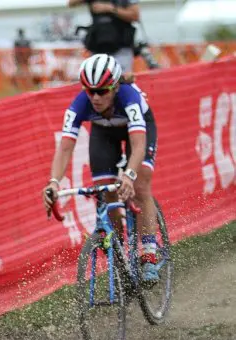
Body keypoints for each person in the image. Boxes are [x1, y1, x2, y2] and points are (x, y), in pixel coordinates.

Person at [42, 54, 160, 283]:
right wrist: (53, 182)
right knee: (106, 191)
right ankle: (120, 255)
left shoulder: (129, 97)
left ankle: (149, 254)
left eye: (102, 91)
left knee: (140, 184)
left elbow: (137, 146)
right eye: (89, 90)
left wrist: (129, 174)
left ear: (115, 87)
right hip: (103, 132)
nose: (95, 97)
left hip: (137, 130)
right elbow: (65, 148)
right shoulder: (80, 105)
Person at [68, 0, 140, 73]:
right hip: (98, 47)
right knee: (97, 79)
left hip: (121, 48)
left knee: (121, 79)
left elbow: (135, 16)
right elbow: (71, 3)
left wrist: (110, 8)